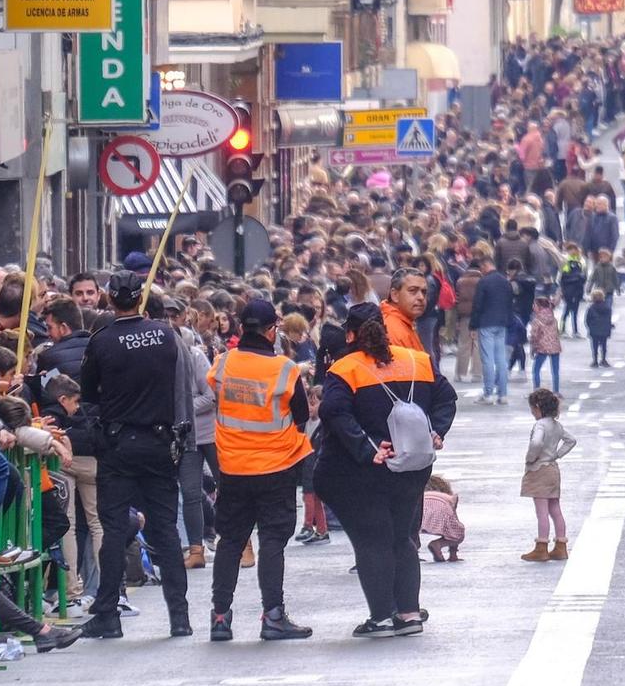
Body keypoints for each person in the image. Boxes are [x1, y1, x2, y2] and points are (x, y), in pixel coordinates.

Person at [314, 302, 457, 637]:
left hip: (361, 471)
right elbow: (446, 398)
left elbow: (333, 412)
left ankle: (379, 616)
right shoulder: (417, 361)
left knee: (372, 541)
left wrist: (368, 447)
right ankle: (408, 613)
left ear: (350, 334)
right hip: (413, 464)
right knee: (402, 539)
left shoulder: (345, 369)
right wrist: (436, 430)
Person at [78, 270, 192, 640]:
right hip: (159, 442)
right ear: (140, 298)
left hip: (118, 445)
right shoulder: (166, 335)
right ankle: (179, 616)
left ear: (109, 299)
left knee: (113, 530)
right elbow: (181, 388)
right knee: (166, 530)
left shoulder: (101, 341)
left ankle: (108, 612)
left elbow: (88, 395)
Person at [204, 298, 313, 643]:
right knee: (272, 543)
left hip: (233, 468)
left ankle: (220, 617)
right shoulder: (285, 369)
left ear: (239, 328)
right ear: (271, 331)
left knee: (230, 541)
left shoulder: (222, 364)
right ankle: (273, 616)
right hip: (275, 468)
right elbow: (301, 415)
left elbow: (219, 394)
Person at [519, 387, 577, 562]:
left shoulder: (540, 425)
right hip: (553, 469)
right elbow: (571, 440)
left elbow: (536, 442)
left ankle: (541, 547)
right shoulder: (557, 425)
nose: (532, 413)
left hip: (539, 469)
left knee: (541, 511)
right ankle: (561, 546)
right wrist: (557, 455)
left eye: (532, 409)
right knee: (555, 509)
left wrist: (531, 457)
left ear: (537, 407)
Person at [469, 256, 513, 405]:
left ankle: (488, 393)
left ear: (486, 265)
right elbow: (509, 303)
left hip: (486, 323)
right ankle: (503, 394)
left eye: (481, 268)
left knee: (487, 359)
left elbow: (477, 305)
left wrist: (473, 326)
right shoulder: (505, 281)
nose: (481, 271)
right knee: (501, 359)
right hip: (502, 323)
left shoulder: (484, 282)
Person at [421, 472, 464, 563]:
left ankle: (414, 552)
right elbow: (454, 520)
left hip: (421, 509)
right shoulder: (449, 497)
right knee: (456, 531)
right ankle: (438, 545)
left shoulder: (422, 495)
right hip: (442, 510)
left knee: (412, 533)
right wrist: (453, 554)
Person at [528, 294, 562, 392]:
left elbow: (534, 335)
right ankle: (556, 391)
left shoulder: (537, 320)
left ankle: (537, 390)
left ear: (539, 306)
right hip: (555, 347)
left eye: (534, 305)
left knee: (536, 369)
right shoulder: (553, 318)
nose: (533, 307)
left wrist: (533, 348)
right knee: (555, 371)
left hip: (542, 347)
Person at [585, 287, 614, 368]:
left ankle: (595, 361)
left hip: (594, 330)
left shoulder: (591, 308)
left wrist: (590, 327)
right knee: (604, 345)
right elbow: (608, 319)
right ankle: (603, 359)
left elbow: (587, 320)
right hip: (604, 330)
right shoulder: (607, 308)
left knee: (594, 346)